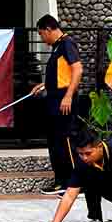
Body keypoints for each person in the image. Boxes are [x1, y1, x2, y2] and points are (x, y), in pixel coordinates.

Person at [29, 15, 83, 196]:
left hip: (64, 102)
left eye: (42, 34)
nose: (42, 39)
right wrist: (44, 85)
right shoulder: (57, 47)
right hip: (54, 101)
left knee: (65, 141)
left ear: (49, 29)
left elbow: (77, 69)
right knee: (54, 141)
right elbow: (62, 74)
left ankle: (74, 183)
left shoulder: (67, 44)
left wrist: (68, 95)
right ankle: (60, 181)